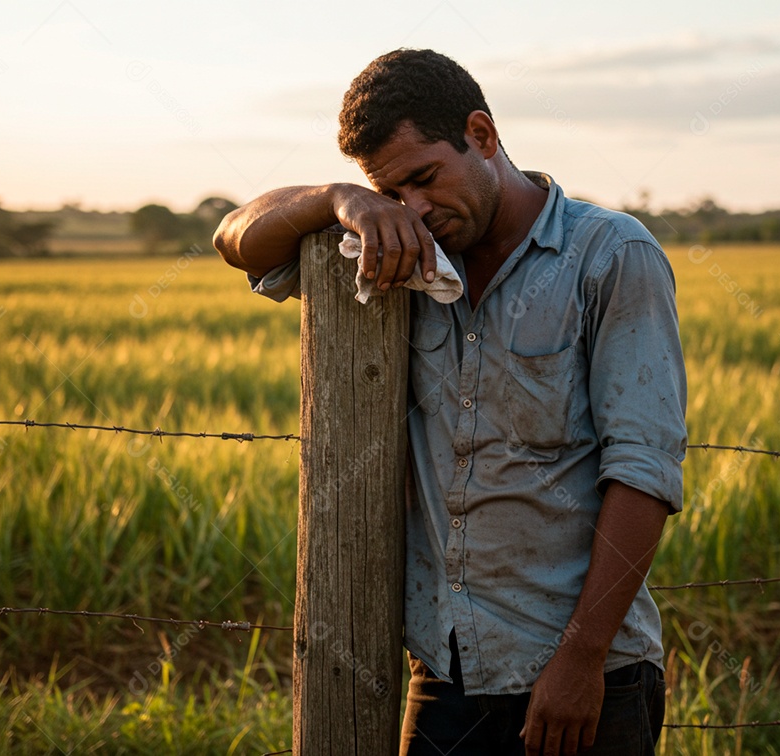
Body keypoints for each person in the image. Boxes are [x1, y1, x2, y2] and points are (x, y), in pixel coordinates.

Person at [214, 48, 687, 756]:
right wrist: (341, 200)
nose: (417, 209)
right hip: (447, 670)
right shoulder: (404, 258)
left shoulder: (611, 256)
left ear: (482, 135)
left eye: (425, 178)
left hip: (589, 670)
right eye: (393, 191)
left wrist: (580, 661)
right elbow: (235, 238)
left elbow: (644, 472)